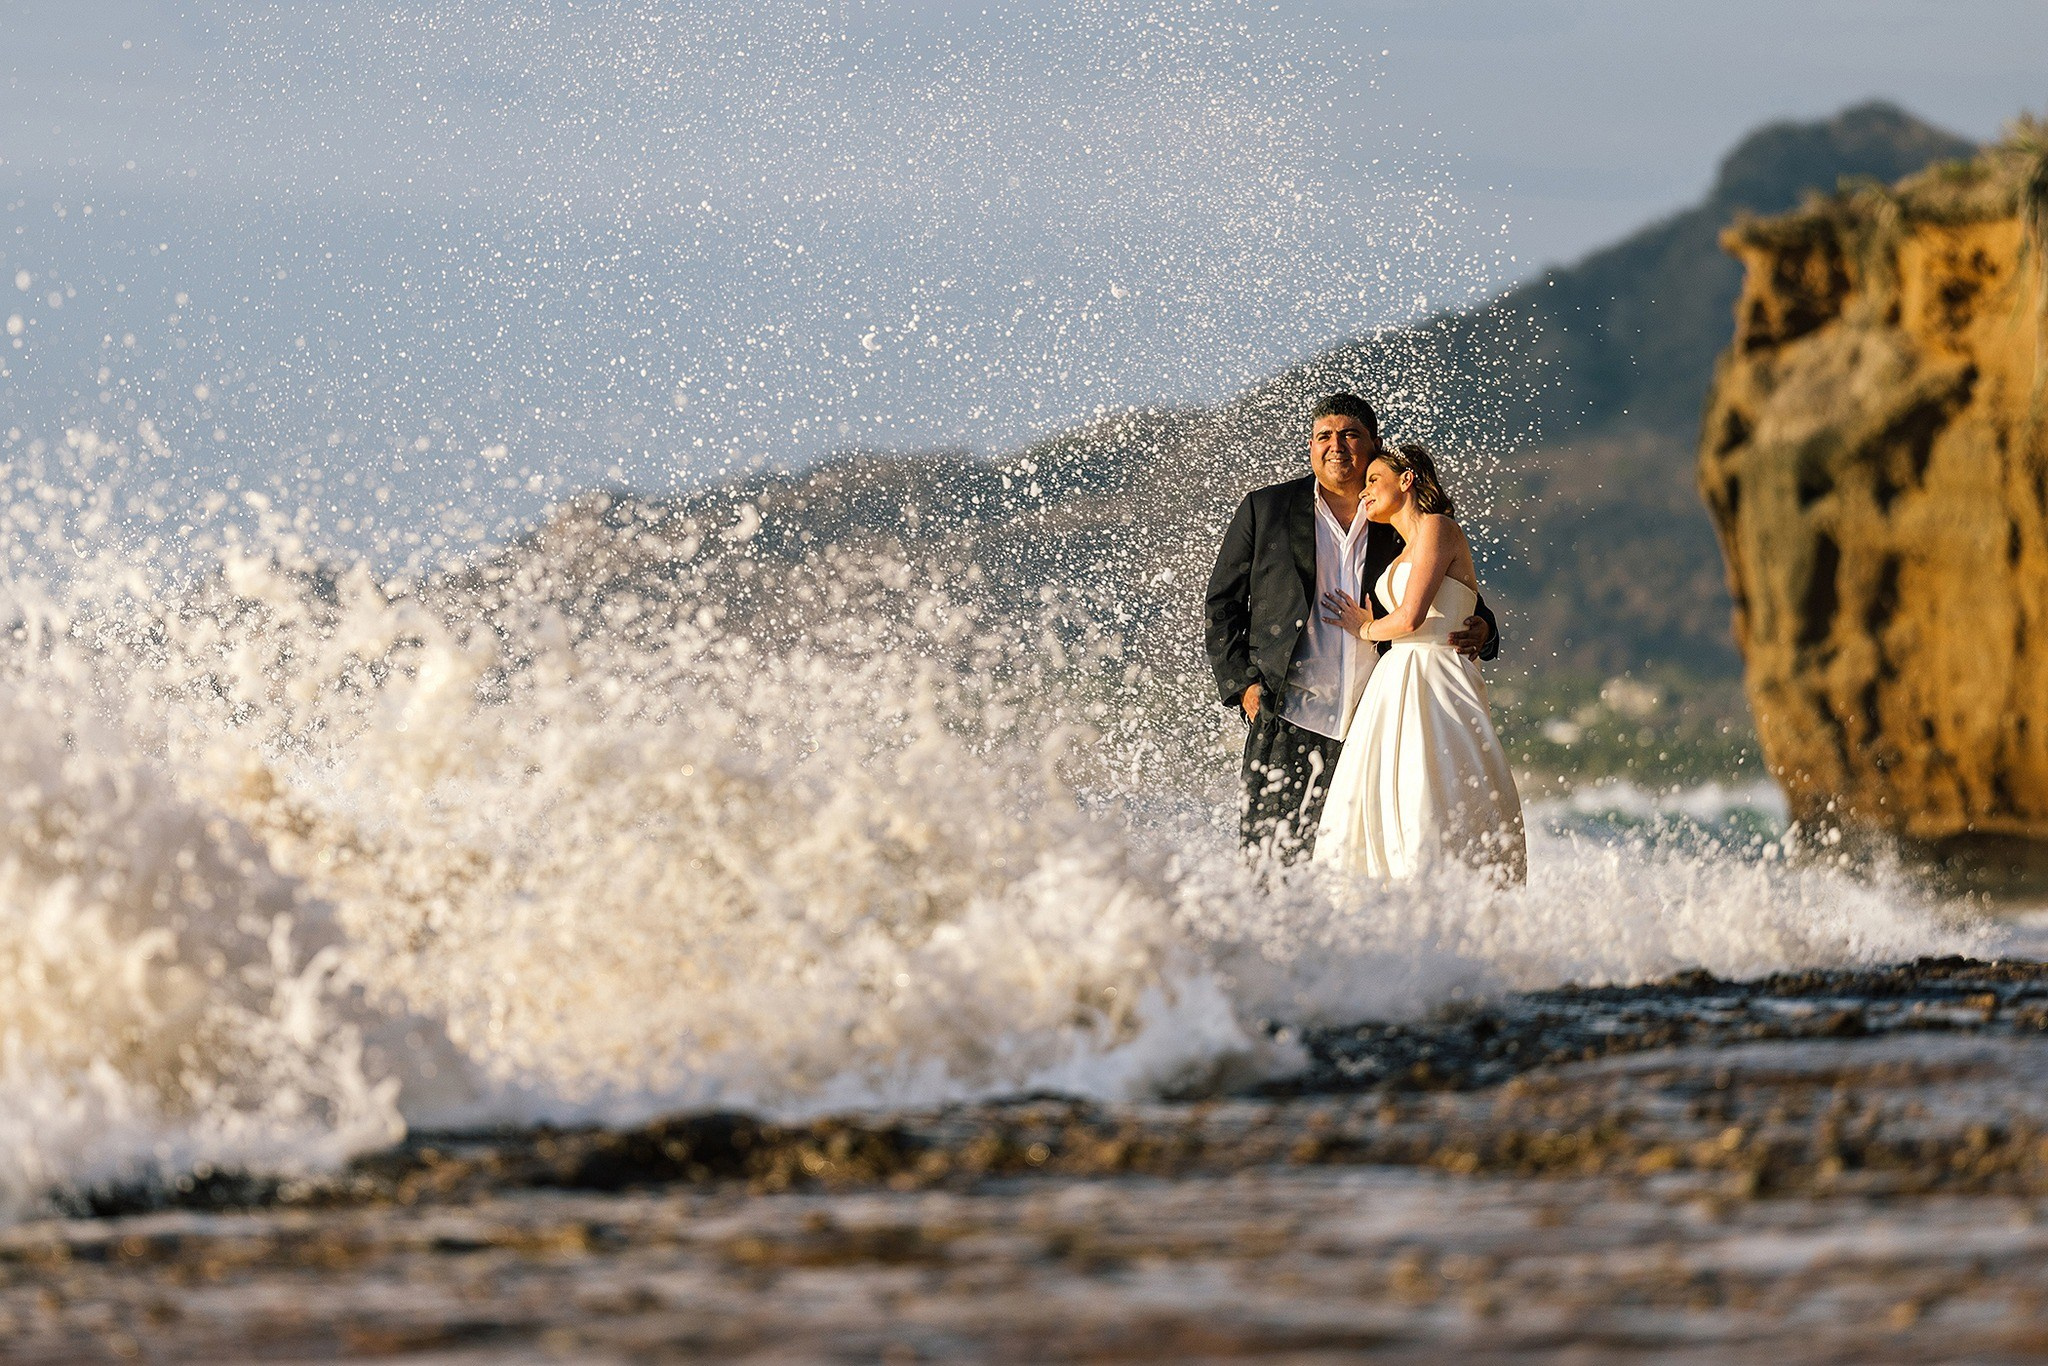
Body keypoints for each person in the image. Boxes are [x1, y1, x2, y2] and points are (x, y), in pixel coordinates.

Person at [1204, 393, 1498, 862]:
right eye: (1324, 436)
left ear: (1373, 445)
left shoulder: (1396, 517)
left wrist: (1485, 628)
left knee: (1361, 867)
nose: (1336, 445)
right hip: (1289, 714)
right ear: (1310, 446)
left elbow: (1456, 594)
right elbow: (1223, 603)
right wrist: (1243, 687)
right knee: (1270, 864)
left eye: (1350, 435)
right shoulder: (1268, 508)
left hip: (1376, 719)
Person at [1311, 442, 1526, 882]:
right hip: (1396, 683)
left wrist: (1365, 627)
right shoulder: (1401, 549)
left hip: (1437, 676)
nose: (1364, 492)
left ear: (1406, 480)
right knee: (1386, 792)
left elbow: (1409, 618)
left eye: (1374, 480)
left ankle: (1442, 893)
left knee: (1432, 790)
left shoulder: (1438, 527)